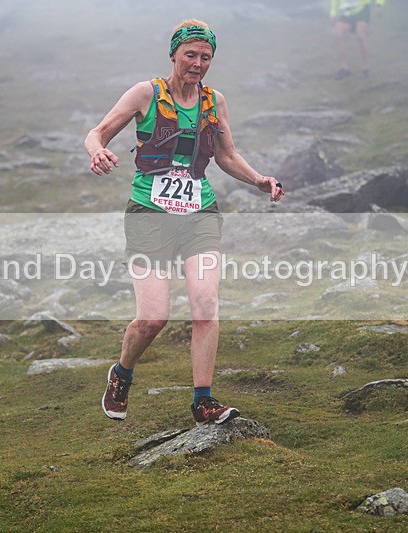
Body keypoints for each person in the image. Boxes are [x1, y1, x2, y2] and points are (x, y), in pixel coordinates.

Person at [84, 19, 285, 425]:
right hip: (149, 214)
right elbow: (98, 132)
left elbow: (226, 156)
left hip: (199, 214)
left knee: (205, 306)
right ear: (173, 54)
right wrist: (96, 152)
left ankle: (203, 401)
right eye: (190, 55)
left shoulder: (214, 101)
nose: (197, 63)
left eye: (205, 57)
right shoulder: (146, 93)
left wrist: (260, 180)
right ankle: (122, 374)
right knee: (154, 316)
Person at [330, 0, 385, 80]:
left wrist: (379, 5)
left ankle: (366, 67)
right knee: (337, 35)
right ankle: (345, 68)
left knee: (360, 35)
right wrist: (333, 13)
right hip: (346, 12)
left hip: (361, 10)